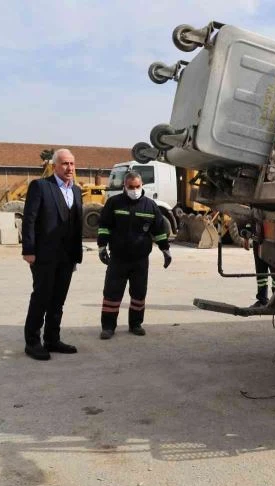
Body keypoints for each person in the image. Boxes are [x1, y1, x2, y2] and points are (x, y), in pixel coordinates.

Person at [22, 148, 83, 361]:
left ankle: (52, 339)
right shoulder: (41, 187)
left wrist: (76, 255)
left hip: (66, 257)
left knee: (58, 300)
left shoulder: (75, 191)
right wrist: (28, 250)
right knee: (41, 297)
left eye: (72, 164)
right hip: (44, 255)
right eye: (65, 164)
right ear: (55, 166)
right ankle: (32, 342)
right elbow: (29, 219)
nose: (69, 168)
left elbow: (76, 226)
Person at [96, 170, 172, 339]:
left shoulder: (150, 206)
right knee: (112, 293)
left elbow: (159, 230)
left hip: (140, 259)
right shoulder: (114, 203)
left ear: (142, 185)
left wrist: (165, 250)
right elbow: (104, 226)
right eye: (131, 187)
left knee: (139, 293)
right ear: (125, 186)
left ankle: (135, 324)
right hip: (118, 258)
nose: (135, 190)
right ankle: (108, 327)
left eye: (137, 186)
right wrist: (102, 247)